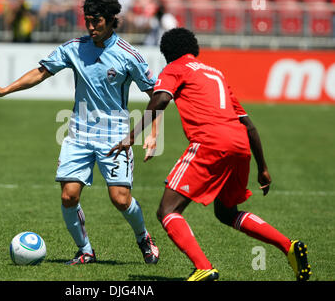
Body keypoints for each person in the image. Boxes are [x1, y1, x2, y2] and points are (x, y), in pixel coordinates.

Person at [109, 28, 312, 281]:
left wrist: (132, 136)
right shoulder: (216, 73)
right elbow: (248, 124)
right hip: (239, 145)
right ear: (195, 48)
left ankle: (203, 267)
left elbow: (160, 99)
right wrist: (263, 168)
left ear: (167, 53)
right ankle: (288, 246)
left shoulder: (174, 68)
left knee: (167, 210)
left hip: (210, 142)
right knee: (226, 212)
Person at [0, 0, 160, 265]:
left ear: (112, 20)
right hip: (78, 134)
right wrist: (6, 89)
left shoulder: (129, 55)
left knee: (121, 199)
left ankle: (143, 237)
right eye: (87, 21)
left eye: (97, 21)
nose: (91, 27)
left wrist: (153, 134)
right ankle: (85, 250)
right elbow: (41, 71)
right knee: (69, 196)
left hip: (115, 137)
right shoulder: (74, 48)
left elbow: (157, 94)